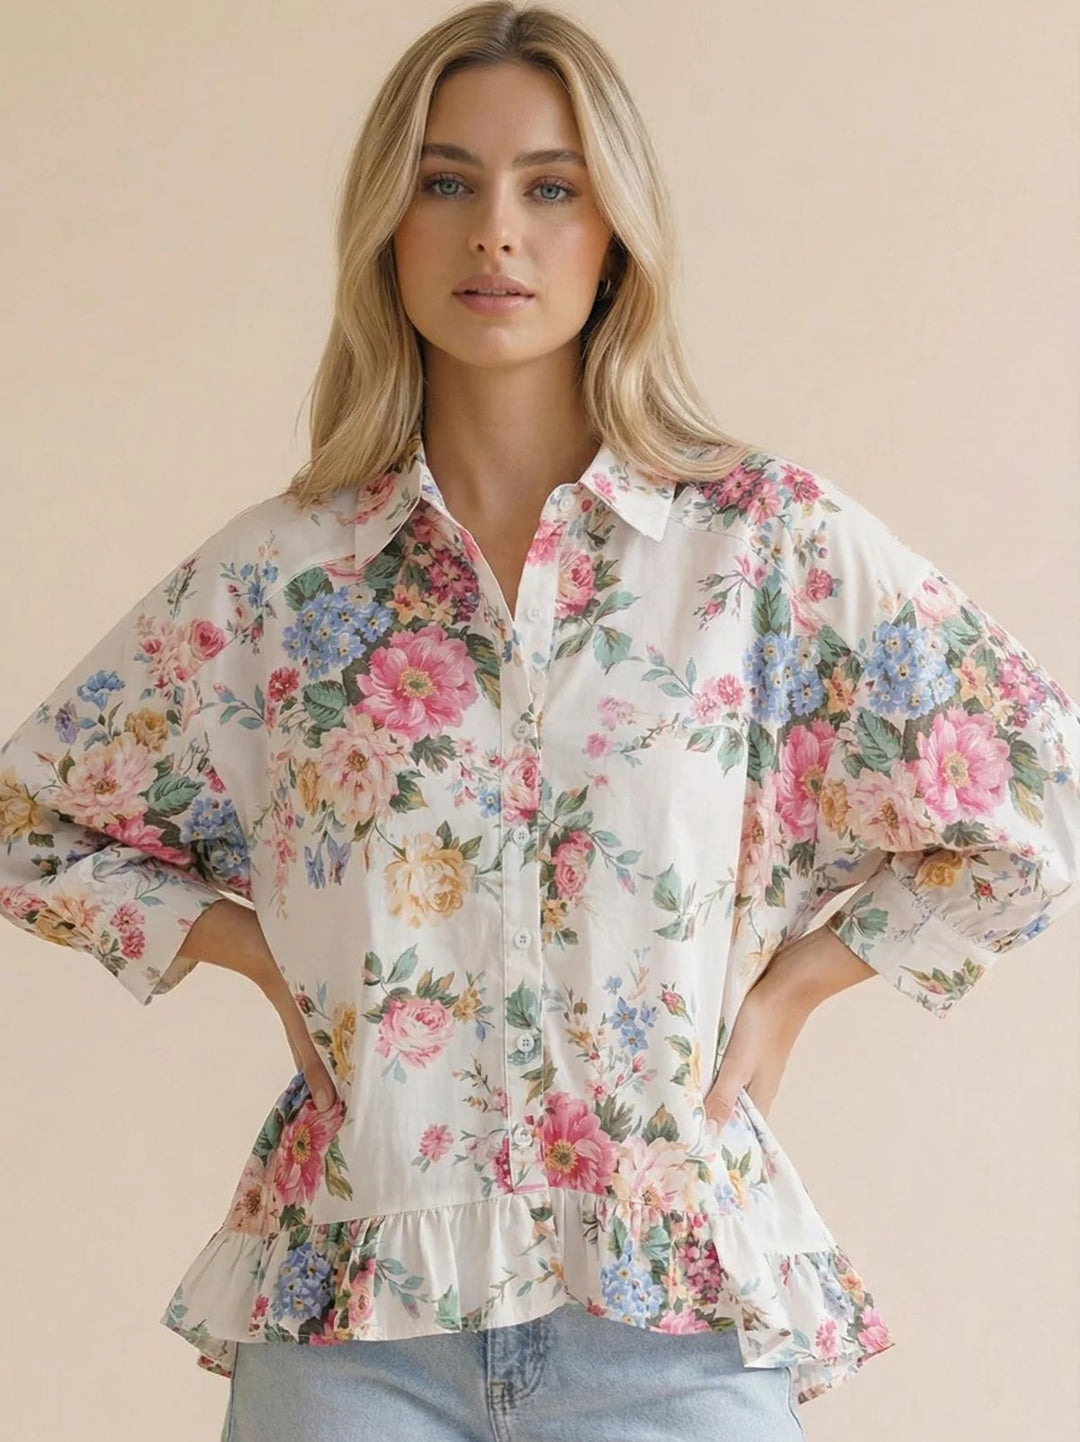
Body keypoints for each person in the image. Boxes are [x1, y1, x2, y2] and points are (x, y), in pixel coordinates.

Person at [2, 2, 1078, 1439]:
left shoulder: (759, 547)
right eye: (446, 182)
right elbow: (32, 816)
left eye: (549, 186)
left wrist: (794, 990)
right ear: (388, 226)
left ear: (615, 231)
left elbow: (1035, 788)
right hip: (357, 1324)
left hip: (669, 1325)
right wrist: (269, 957)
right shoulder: (280, 576)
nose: (493, 231)